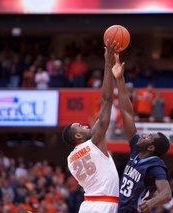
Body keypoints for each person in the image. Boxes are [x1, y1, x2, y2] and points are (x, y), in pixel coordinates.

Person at [62, 40, 119, 213]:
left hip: (88, 204)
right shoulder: (94, 142)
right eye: (80, 126)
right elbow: (107, 101)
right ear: (77, 136)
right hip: (104, 204)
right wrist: (108, 66)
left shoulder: (70, 160)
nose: (86, 126)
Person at [112, 53, 172, 212]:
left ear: (151, 148)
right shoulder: (136, 150)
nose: (144, 135)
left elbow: (166, 194)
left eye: (149, 137)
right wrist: (119, 79)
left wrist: (152, 203)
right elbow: (126, 113)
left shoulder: (155, 166)